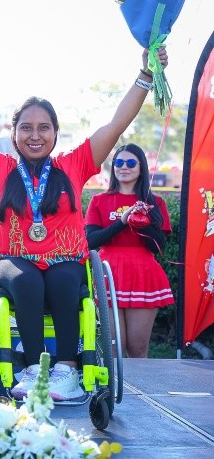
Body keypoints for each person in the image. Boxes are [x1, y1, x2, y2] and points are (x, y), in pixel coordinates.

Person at [0, 30, 168, 401]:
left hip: (66, 261)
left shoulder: (73, 165)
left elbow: (115, 125)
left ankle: (66, 371)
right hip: (15, 262)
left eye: (43, 127)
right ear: (13, 133)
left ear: (56, 133)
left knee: (63, 281)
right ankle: (32, 370)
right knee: (27, 280)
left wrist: (145, 75)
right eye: (26, 128)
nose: (35, 135)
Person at [85, 143, 174, 358]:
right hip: (108, 274)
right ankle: (115, 383)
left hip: (143, 274)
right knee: (114, 348)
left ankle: (138, 383)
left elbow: (157, 246)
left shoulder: (155, 202)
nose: (124, 167)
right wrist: (123, 222)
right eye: (119, 162)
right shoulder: (99, 201)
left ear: (141, 167)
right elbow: (91, 240)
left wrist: (142, 222)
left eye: (131, 163)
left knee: (138, 348)